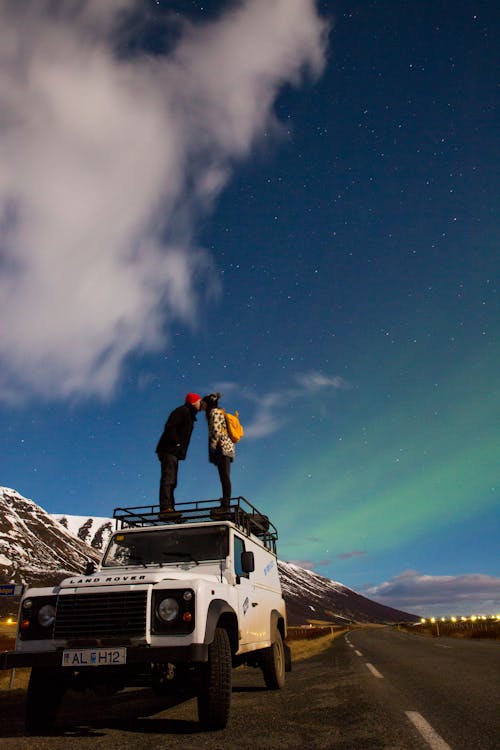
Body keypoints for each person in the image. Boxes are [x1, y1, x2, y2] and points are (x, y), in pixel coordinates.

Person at [155, 393, 202, 518]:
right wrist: (176, 443)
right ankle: (165, 508)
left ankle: (170, 508)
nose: (200, 404)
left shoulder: (189, 413)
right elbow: (170, 426)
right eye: (199, 401)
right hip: (169, 449)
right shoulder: (182, 411)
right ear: (193, 402)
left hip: (173, 451)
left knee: (172, 480)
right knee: (168, 478)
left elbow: (202, 408)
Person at [202, 392, 235, 513]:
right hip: (226, 447)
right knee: (224, 476)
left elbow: (216, 430)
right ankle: (225, 503)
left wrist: (213, 445)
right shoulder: (219, 412)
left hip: (222, 447)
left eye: (204, 403)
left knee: (224, 476)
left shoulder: (214, 412)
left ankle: (226, 505)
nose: (202, 405)